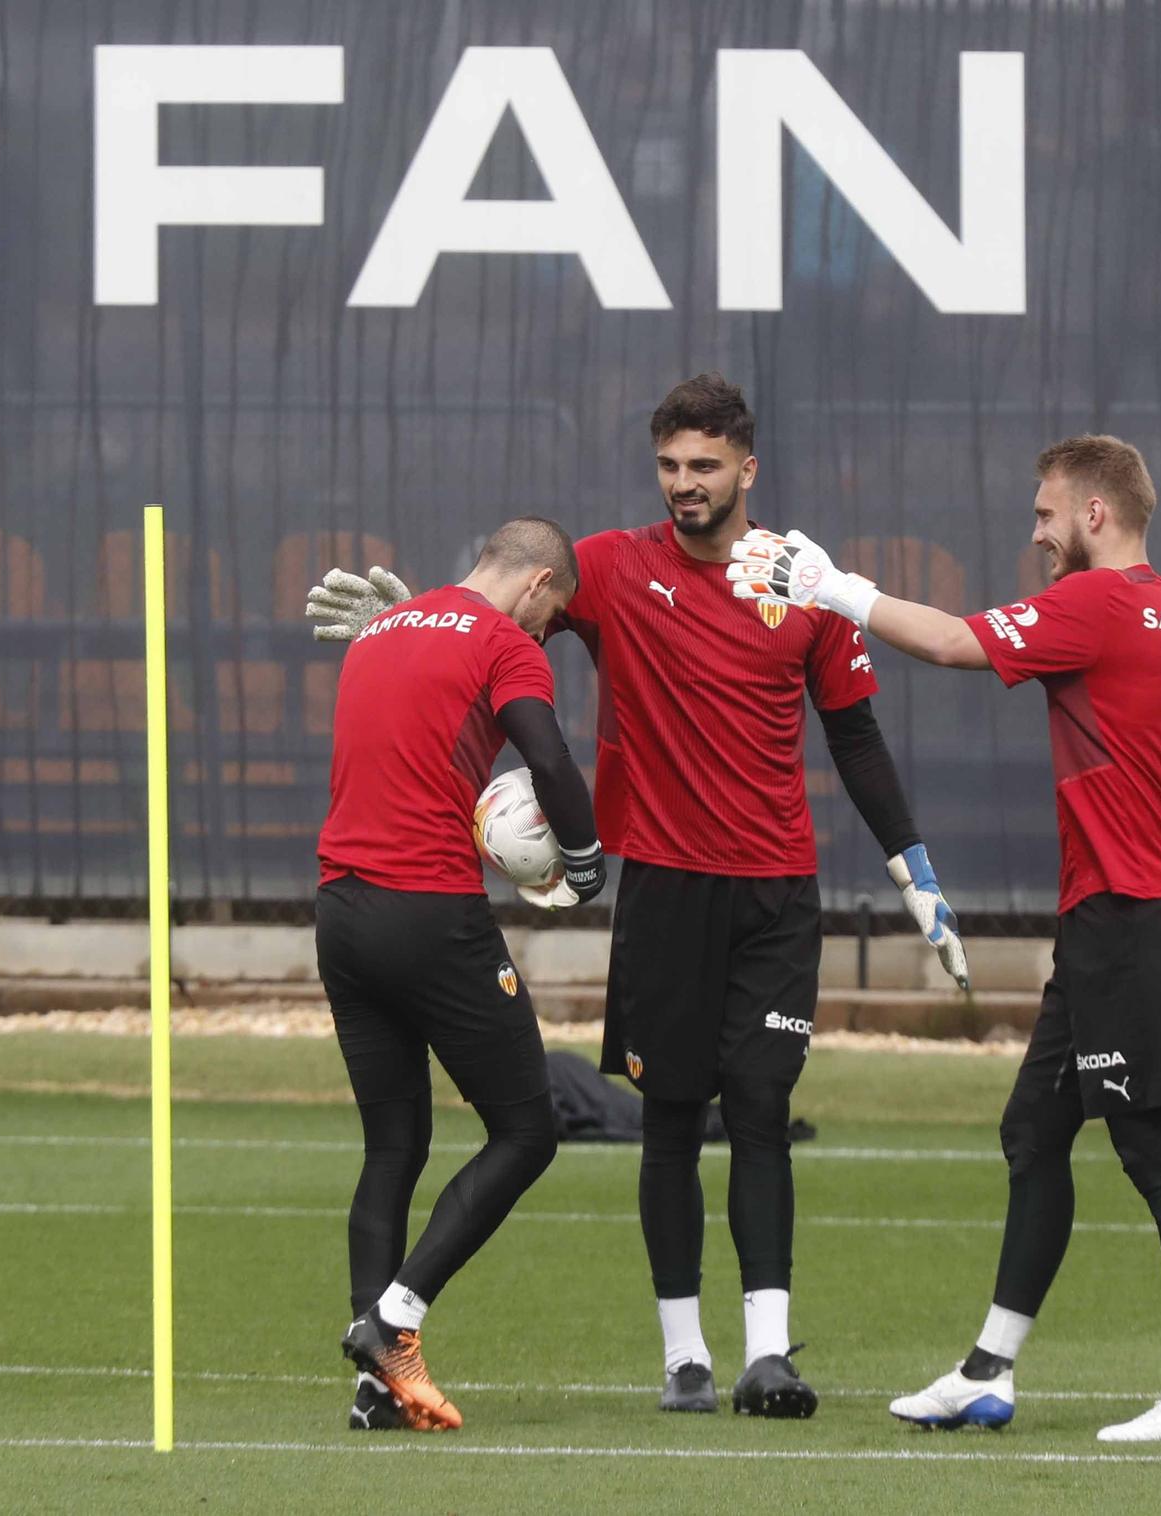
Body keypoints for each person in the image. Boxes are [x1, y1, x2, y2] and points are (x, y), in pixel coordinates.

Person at [305, 373, 969, 1418]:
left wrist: (910, 863)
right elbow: (503, 610)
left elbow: (853, 734)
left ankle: (766, 1353)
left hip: (776, 892)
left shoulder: (801, 578)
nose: (683, 485)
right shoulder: (613, 568)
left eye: (703, 467)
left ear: (746, 469)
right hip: (661, 885)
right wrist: (416, 624)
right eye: (668, 466)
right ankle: (683, 1360)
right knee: (669, 1116)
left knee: (757, 1105)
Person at [728, 434, 1161, 1443]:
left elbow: (947, 644)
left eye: (1042, 514)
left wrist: (831, 586)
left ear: (1094, 515)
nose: (1035, 533)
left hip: (1127, 920)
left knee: (1159, 1155)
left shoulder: (1097, 603)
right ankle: (987, 1372)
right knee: (1032, 1134)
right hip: (1128, 914)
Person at [316, 517, 606, 1432]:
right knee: (527, 1130)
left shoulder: (381, 633)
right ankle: (395, 1321)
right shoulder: (502, 640)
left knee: (392, 1148)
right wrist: (589, 861)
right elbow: (547, 756)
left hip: (341, 912)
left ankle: (377, 1386)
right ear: (537, 584)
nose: (548, 631)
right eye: (554, 615)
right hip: (429, 915)